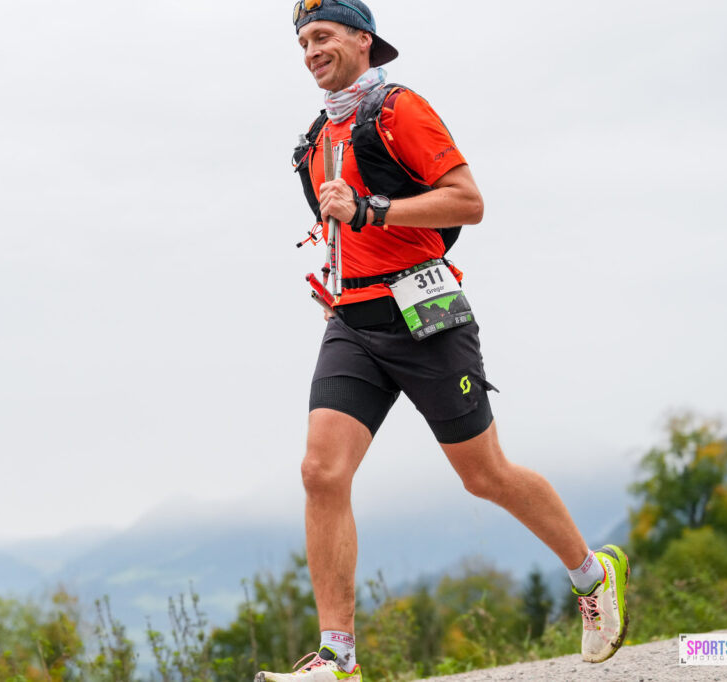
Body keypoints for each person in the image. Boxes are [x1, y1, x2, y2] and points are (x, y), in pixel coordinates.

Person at [257, 2, 630, 681]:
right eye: (303, 41)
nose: (311, 51)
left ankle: (591, 573)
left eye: (324, 36)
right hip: (353, 324)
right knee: (321, 472)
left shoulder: (400, 109)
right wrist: (339, 279)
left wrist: (375, 209)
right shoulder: (314, 142)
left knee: (483, 475)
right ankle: (338, 658)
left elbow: (468, 201)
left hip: (426, 320)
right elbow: (345, 235)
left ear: (362, 41)